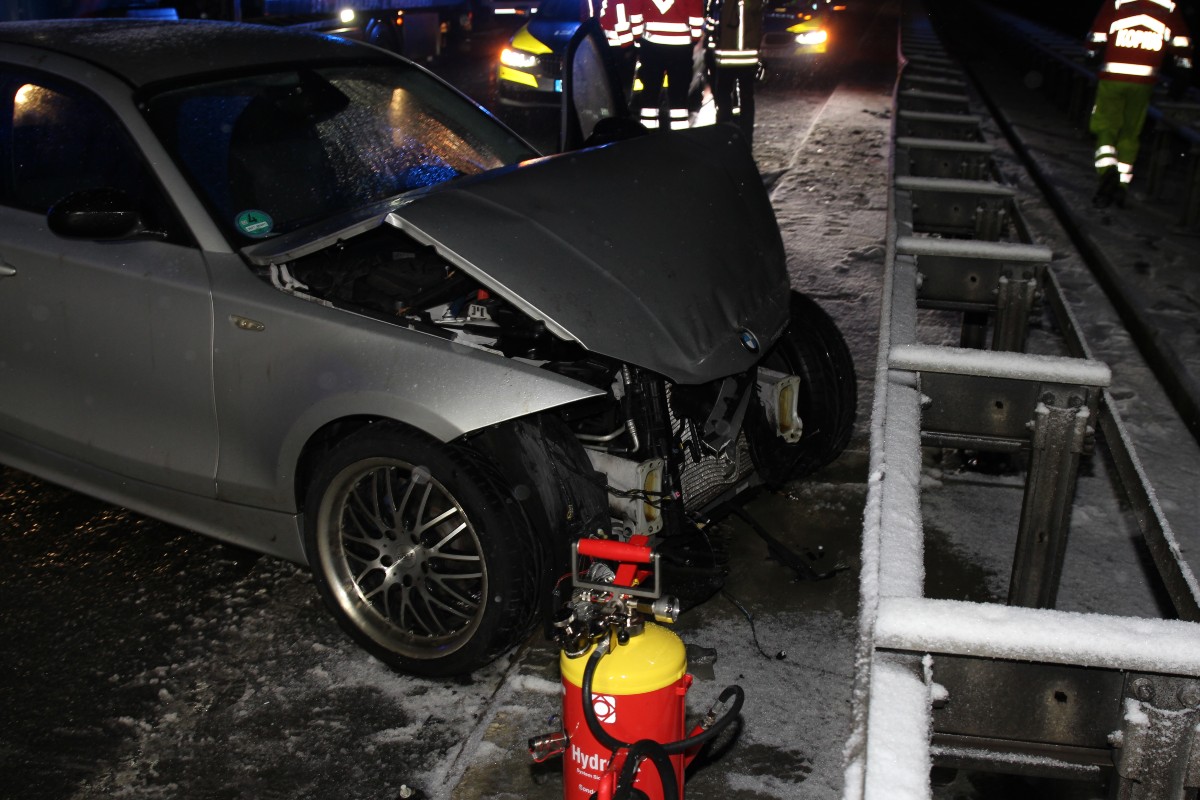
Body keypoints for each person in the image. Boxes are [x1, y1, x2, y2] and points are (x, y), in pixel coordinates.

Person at [1086, 0, 1193, 208]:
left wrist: (1091, 52)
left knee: (1105, 126)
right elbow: (1182, 42)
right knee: (1130, 133)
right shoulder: (1168, 6)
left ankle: (1108, 172)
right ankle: (1122, 187)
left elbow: (1097, 35)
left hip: (1113, 77)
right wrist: (1183, 71)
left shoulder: (1117, 2)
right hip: (1144, 82)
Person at [629, 0, 705, 130]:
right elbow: (695, 9)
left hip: (651, 44)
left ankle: (648, 134)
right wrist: (694, 37)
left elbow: (635, 7)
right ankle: (679, 135)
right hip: (680, 47)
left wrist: (638, 37)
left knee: (649, 93)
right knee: (679, 95)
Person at [704, 0, 764, 143]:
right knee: (747, 100)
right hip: (748, 58)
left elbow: (711, 24)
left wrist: (712, 47)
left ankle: (723, 137)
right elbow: (760, 24)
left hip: (725, 58)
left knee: (723, 98)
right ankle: (746, 139)